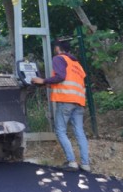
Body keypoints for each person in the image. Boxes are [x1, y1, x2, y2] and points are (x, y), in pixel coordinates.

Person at [31, 40, 90, 171]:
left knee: (60, 131)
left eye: (55, 47)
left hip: (65, 100)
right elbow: (69, 80)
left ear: (58, 48)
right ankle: (86, 164)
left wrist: (43, 80)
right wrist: (47, 83)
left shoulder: (58, 58)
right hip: (79, 102)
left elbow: (61, 76)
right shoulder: (77, 64)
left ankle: (72, 162)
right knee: (79, 132)